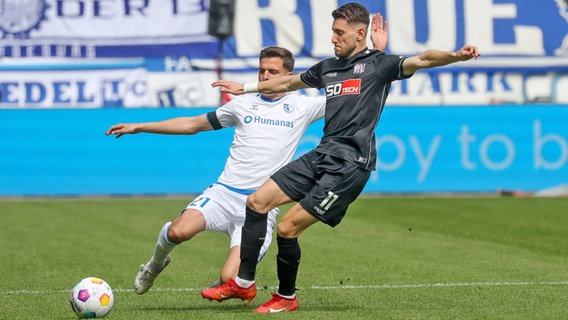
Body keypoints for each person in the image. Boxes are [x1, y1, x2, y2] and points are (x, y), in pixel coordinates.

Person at [201, 2, 480, 313]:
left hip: (350, 166)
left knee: (287, 228)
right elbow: (289, 83)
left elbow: (425, 58)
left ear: (360, 34)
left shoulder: (380, 65)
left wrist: (456, 55)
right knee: (256, 202)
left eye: (339, 32)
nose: (333, 38)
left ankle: (286, 298)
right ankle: (243, 283)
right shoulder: (328, 68)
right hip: (323, 154)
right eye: (332, 32)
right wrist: (247, 87)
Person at [104, 19, 388, 295]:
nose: (265, 77)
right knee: (179, 232)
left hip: (261, 206)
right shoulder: (241, 104)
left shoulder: (304, 106)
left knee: (230, 277)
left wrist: (377, 53)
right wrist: (140, 126)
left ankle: (230, 285)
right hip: (225, 193)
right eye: (262, 71)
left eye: (273, 72)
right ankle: (155, 265)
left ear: (287, 76)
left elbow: (364, 90)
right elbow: (193, 124)